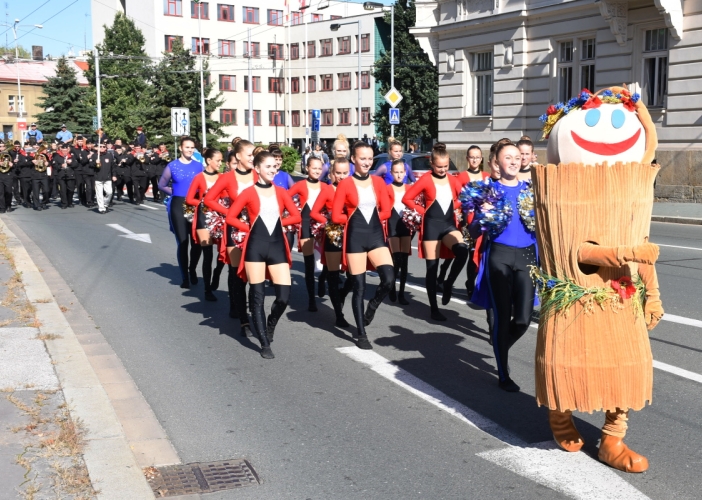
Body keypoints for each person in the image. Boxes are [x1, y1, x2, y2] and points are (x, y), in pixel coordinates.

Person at [469, 141, 537, 392]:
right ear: (497, 162)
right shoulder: (489, 191)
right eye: (507, 157)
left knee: (523, 318)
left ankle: (501, 346)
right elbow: (473, 229)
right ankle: (503, 373)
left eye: (517, 157)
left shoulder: (531, 189)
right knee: (501, 315)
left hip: (527, 255)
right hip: (500, 255)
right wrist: (483, 217)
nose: (513, 161)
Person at [225, 151, 301, 359]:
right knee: (257, 297)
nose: (273, 170)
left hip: (277, 246)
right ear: (257, 169)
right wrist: (248, 226)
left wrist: (277, 223)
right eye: (268, 167)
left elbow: (295, 216)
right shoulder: (249, 192)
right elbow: (231, 217)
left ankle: (270, 324)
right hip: (255, 247)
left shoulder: (281, 192)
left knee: (283, 297)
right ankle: (264, 343)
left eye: (274, 166)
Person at [331, 141, 395, 350]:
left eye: (369, 158)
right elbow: (335, 214)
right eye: (362, 158)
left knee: (389, 279)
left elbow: (386, 210)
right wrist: (351, 218)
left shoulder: (378, 182)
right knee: (359, 287)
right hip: (355, 239)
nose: (366, 162)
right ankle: (360, 333)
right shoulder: (345, 184)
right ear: (353, 160)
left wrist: (376, 216)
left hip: (376, 236)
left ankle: (373, 305)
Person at [402, 143, 470, 321]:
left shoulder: (453, 180)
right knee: (431, 269)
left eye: (446, 166)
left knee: (462, 251)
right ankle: (434, 309)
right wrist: (422, 211)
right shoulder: (425, 179)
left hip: (448, 225)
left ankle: (448, 283)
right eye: (439, 166)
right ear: (432, 164)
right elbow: (407, 198)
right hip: (431, 227)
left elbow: (462, 199)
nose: (442, 169)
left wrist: (455, 207)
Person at [204, 141, 257, 336]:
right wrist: (229, 212)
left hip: (255, 229)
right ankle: (243, 319)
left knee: (254, 274)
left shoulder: (258, 175)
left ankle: (254, 311)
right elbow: (209, 199)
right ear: (239, 157)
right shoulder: (227, 178)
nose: (253, 158)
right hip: (234, 229)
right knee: (237, 274)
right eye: (250, 154)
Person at [310, 157, 352, 327]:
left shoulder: (353, 188)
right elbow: (314, 212)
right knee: (334, 275)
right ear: (332, 174)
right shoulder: (328, 190)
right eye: (338, 173)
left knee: (354, 276)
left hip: (352, 234)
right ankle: (339, 314)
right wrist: (329, 222)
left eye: (345, 173)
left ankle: (341, 294)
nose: (341, 176)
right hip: (333, 234)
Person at [158, 136, 204, 289]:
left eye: (192, 147)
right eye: (187, 147)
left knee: (196, 242)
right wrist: (174, 192)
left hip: (194, 204)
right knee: (183, 242)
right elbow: (161, 184)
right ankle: (185, 276)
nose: (190, 150)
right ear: (180, 148)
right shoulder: (172, 166)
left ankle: (192, 269)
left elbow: (204, 185)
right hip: (178, 204)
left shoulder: (198, 166)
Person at [186, 148, 226, 302]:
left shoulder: (222, 177)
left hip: (219, 217)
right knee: (207, 253)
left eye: (222, 160)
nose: (220, 163)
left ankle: (216, 274)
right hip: (203, 216)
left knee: (223, 251)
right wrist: (203, 202)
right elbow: (189, 199)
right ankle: (207, 289)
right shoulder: (199, 178)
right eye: (218, 160)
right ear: (209, 161)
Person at [289, 156, 324, 311]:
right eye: (313, 168)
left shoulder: (325, 186)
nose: (316, 171)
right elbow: (285, 198)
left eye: (319, 168)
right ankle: (311, 299)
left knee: (328, 263)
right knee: (309, 266)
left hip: (323, 228)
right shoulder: (300, 185)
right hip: (306, 228)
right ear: (307, 168)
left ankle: (322, 280)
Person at [385, 159, 413, 305]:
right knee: (396, 259)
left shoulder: (409, 188)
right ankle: (392, 289)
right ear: (391, 173)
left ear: (405, 172)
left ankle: (402, 293)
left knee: (405, 260)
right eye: (396, 172)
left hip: (406, 226)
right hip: (392, 224)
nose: (399, 174)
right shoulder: (388, 188)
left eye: (402, 172)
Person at [92, 141, 116, 214]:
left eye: (103, 147)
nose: (102, 148)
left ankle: (105, 204)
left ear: (106, 148)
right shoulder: (95, 156)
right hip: (98, 178)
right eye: (100, 146)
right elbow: (90, 166)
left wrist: (114, 175)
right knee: (99, 194)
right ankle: (101, 208)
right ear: (97, 148)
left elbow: (113, 167)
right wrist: (95, 163)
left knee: (109, 192)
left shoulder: (109, 155)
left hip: (107, 177)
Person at [52, 142, 77, 209]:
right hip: (61, 175)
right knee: (63, 190)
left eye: (66, 150)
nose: (65, 152)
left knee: (71, 190)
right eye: (64, 150)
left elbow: (76, 164)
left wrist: (71, 163)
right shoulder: (57, 156)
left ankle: (70, 202)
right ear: (61, 150)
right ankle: (64, 203)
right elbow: (54, 165)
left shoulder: (72, 156)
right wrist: (61, 165)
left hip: (70, 175)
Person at [12, 141, 33, 208]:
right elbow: (20, 163)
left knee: (28, 188)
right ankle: (21, 200)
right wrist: (13, 161)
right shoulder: (12, 152)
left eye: (18, 146)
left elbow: (32, 161)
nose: (17, 147)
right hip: (17, 172)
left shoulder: (31, 154)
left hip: (28, 174)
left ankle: (23, 197)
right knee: (17, 187)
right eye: (16, 146)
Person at [30, 145, 51, 211]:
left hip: (43, 175)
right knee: (36, 192)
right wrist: (32, 162)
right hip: (35, 175)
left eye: (37, 148)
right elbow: (26, 164)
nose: (36, 149)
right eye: (35, 148)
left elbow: (49, 162)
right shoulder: (30, 156)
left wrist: (48, 163)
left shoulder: (44, 155)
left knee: (46, 191)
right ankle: (37, 205)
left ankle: (44, 202)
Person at [0, 141, 16, 213]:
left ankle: (8, 205)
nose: (2, 148)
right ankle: (2, 207)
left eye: (3, 146)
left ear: (5, 147)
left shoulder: (10, 154)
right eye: (0, 146)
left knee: (8, 192)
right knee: (1, 192)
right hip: (0, 175)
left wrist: (12, 164)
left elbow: (15, 165)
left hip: (8, 175)